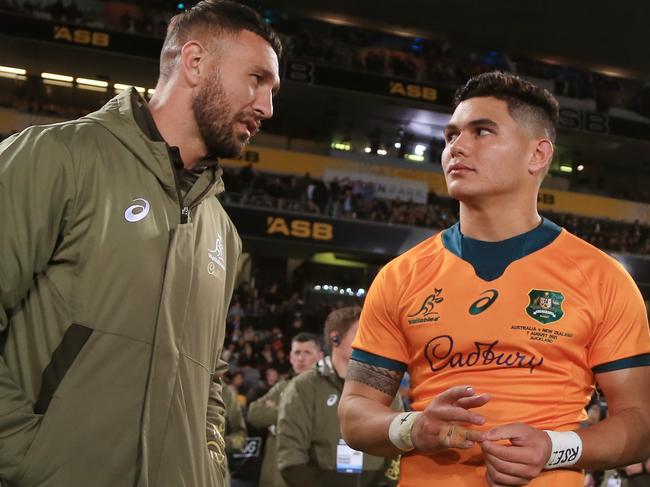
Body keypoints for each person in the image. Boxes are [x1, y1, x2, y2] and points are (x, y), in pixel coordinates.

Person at [0, 1, 281, 485]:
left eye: (272, 90)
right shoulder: (57, 156)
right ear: (194, 62)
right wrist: (23, 454)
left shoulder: (224, 233)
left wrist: (208, 469)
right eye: (257, 79)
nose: (267, 107)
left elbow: (210, 381)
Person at [338, 71, 650, 487]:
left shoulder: (602, 278)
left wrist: (554, 448)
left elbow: (640, 422)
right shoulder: (400, 276)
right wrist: (411, 428)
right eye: (450, 136)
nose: (455, 147)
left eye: (481, 131)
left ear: (538, 155)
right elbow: (355, 411)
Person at [277, 307, 402, 487]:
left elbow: (398, 444)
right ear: (335, 338)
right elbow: (290, 457)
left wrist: (386, 483)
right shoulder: (303, 387)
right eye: (363, 332)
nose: (372, 340)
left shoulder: (386, 386)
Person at [247, 332, 325, 487]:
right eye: (297, 352)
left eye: (307, 352)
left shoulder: (327, 390)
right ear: (290, 357)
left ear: (320, 356)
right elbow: (254, 414)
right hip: (274, 477)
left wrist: (277, 414)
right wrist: (291, 411)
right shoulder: (282, 387)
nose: (301, 358)